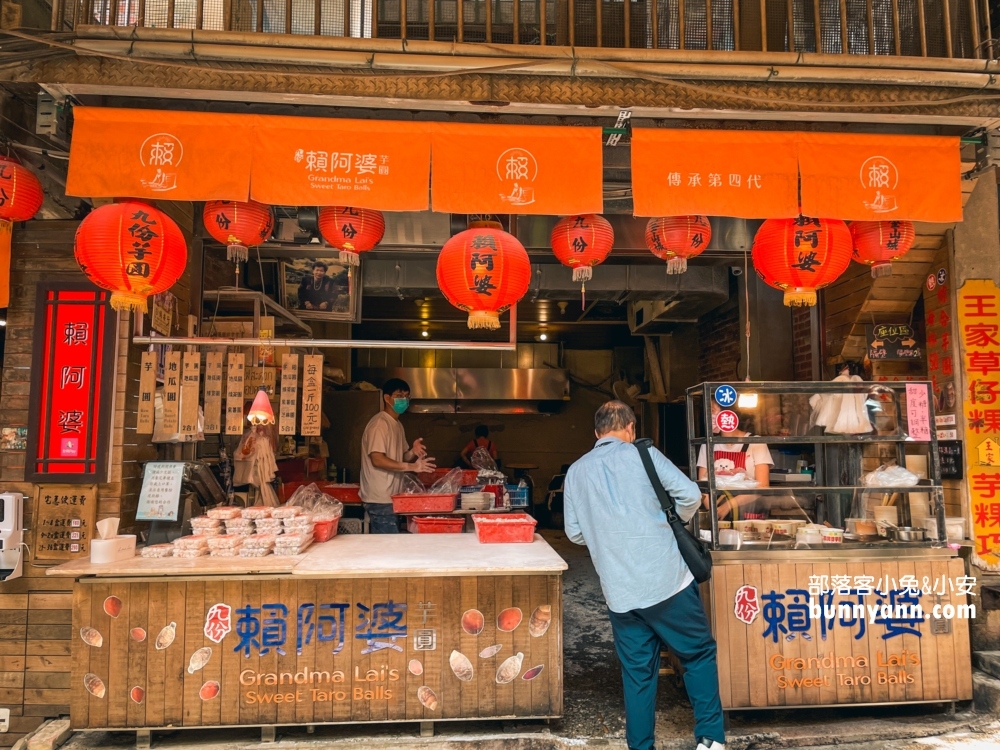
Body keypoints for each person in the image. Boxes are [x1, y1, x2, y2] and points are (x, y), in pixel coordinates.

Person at [564, 400, 725, 750]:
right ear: (631, 428)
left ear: (596, 434)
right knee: (697, 655)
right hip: (666, 581)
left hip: (620, 593)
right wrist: (667, 521)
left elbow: (575, 533)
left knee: (638, 674)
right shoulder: (643, 454)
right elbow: (691, 494)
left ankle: (641, 746)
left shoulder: (576, 471)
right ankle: (711, 740)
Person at [359, 378, 435, 533]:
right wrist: (412, 466)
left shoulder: (397, 424)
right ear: (387, 398)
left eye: (407, 396)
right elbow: (377, 459)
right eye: (400, 396)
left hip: (392, 497)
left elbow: (400, 459)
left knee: (391, 546)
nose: (404, 400)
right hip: (379, 499)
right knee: (387, 550)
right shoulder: (380, 424)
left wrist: (412, 452)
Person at [697, 402, 772, 520]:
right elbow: (703, 486)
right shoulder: (707, 445)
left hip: (749, 513)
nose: (709, 415)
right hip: (718, 513)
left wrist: (728, 506)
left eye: (712, 410)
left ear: (729, 414)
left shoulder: (756, 442)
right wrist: (713, 512)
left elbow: (763, 485)